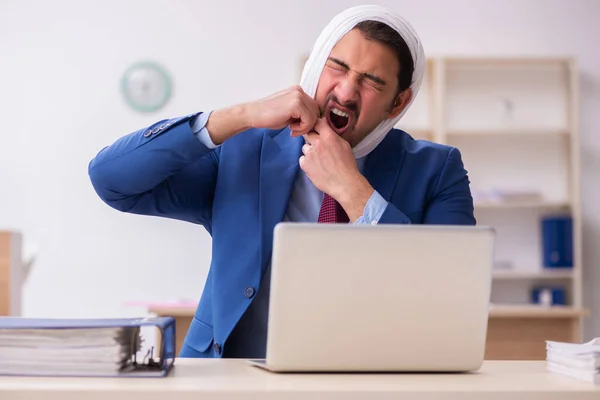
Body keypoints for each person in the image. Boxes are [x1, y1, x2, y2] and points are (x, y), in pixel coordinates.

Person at [88, 5, 475, 359]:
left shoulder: (438, 170)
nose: (345, 91)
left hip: (366, 382)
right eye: (337, 66)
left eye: (372, 81)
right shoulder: (244, 151)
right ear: (315, 66)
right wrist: (238, 115)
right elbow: (112, 181)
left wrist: (352, 190)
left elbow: (451, 298)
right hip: (229, 379)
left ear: (398, 102)